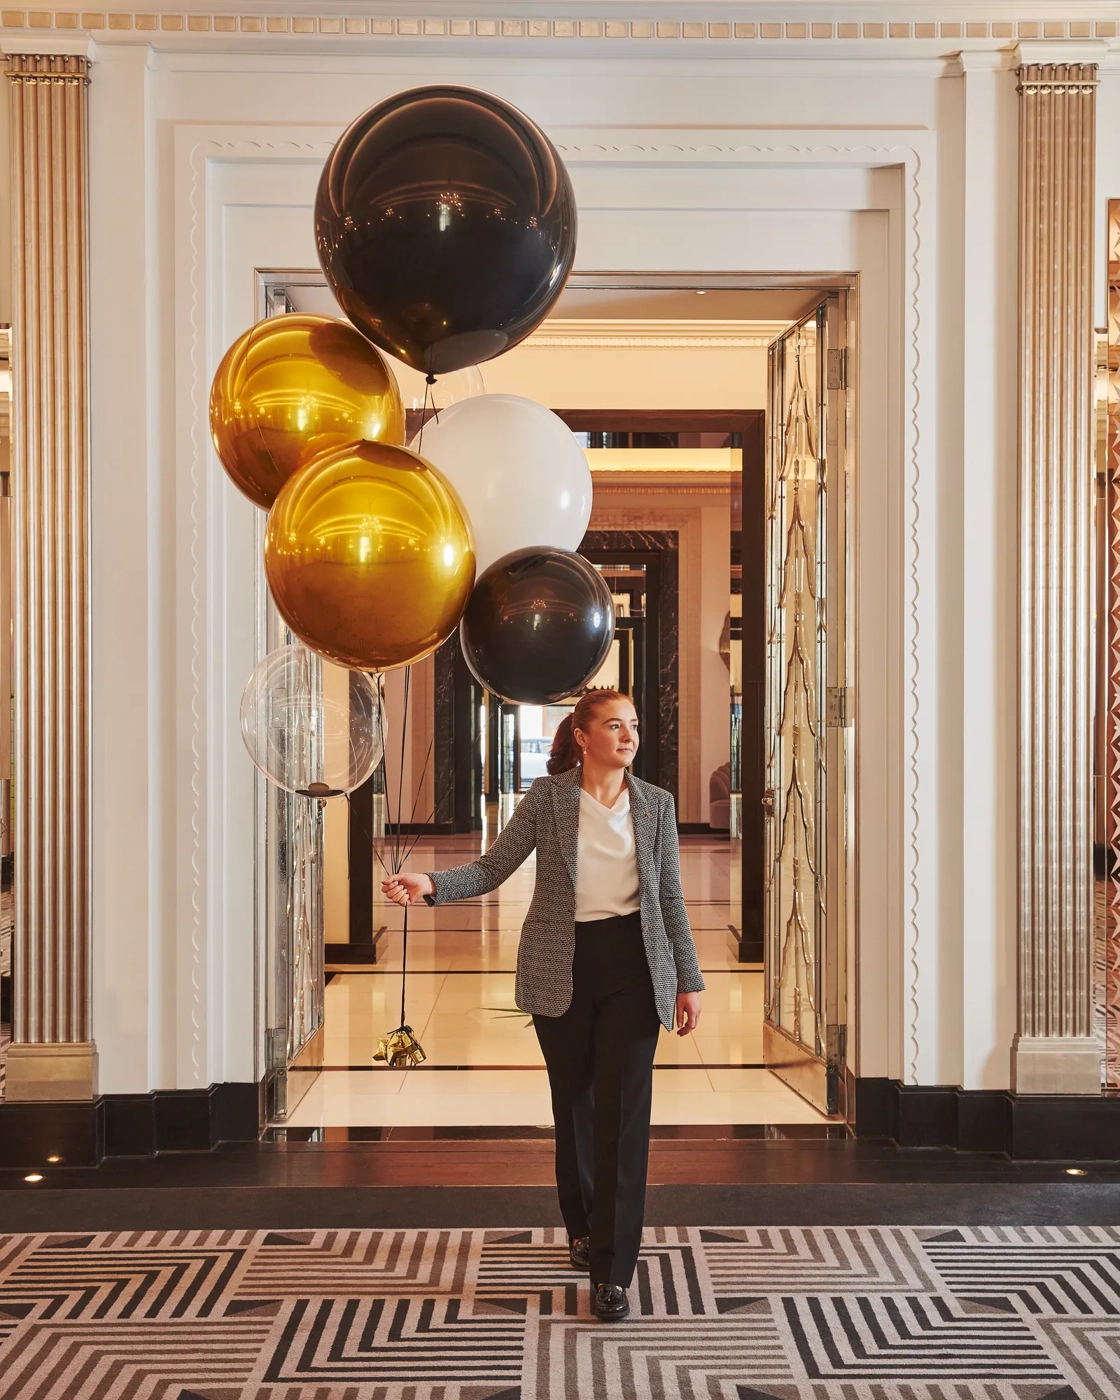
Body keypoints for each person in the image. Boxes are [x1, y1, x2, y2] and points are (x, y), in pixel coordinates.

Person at [382, 689, 704, 1323]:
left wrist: (688, 978)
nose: (629, 735)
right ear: (583, 737)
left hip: (636, 968)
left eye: (633, 726)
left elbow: (671, 898)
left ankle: (614, 1269)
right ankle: (582, 1227)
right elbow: (494, 867)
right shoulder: (549, 799)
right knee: (577, 1102)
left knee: (624, 1114)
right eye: (615, 725)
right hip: (562, 964)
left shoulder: (657, 806)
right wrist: (430, 886)